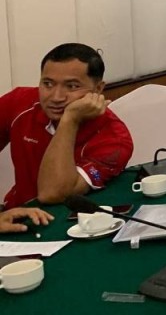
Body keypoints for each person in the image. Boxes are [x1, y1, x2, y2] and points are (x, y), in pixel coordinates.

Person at [0, 44, 133, 207]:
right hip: (16, 213)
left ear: (98, 89)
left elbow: (52, 194)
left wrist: (70, 120)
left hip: (74, 218)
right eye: (48, 84)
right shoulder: (20, 102)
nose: (56, 97)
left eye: (72, 86)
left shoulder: (116, 139)